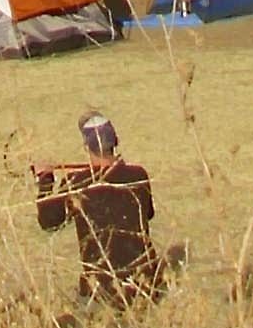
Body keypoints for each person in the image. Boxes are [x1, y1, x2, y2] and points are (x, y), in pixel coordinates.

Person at [34, 113, 163, 307]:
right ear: (115, 143)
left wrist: (44, 180)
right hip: (144, 284)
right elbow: (148, 214)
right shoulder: (138, 175)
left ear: (87, 147)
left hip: (100, 289)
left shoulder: (77, 183)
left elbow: (49, 223)